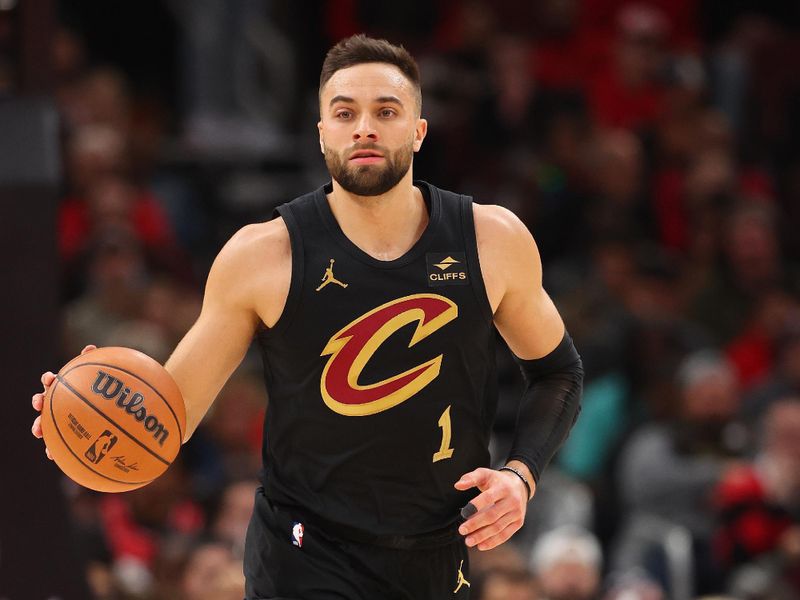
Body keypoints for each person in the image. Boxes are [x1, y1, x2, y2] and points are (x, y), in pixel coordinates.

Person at [32, 34, 583, 599]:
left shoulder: (491, 240)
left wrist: (521, 474)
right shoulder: (262, 256)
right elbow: (165, 423)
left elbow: (559, 372)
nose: (364, 127)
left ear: (418, 131)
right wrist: (86, 417)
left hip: (439, 550)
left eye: (386, 111)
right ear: (322, 134)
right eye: (344, 113)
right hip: (304, 552)